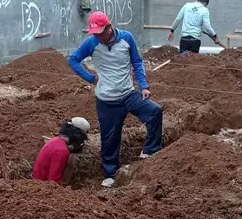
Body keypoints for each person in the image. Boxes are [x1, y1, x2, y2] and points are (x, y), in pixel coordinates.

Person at [68, 12, 162, 188]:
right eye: (95, 33)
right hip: (106, 100)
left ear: (109, 27)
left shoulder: (127, 38)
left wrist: (143, 86)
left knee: (154, 111)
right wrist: (89, 78)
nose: (98, 36)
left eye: (101, 32)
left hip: (128, 94)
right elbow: (73, 59)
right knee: (109, 138)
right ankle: (111, 173)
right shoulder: (92, 43)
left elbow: (137, 61)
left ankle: (150, 151)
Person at [32, 117, 91, 185]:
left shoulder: (55, 141)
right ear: (78, 136)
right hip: (42, 186)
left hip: (37, 181)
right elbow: (53, 181)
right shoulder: (61, 151)